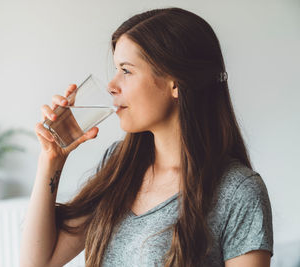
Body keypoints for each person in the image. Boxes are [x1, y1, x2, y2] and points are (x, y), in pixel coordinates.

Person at [20, 7, 273, 267]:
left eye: (126, 70)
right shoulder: (118, 165)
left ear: (176, 83)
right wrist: (51, 159)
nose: (111, 85)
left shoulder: (238, 191)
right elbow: (37, 263)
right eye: (116, 68)